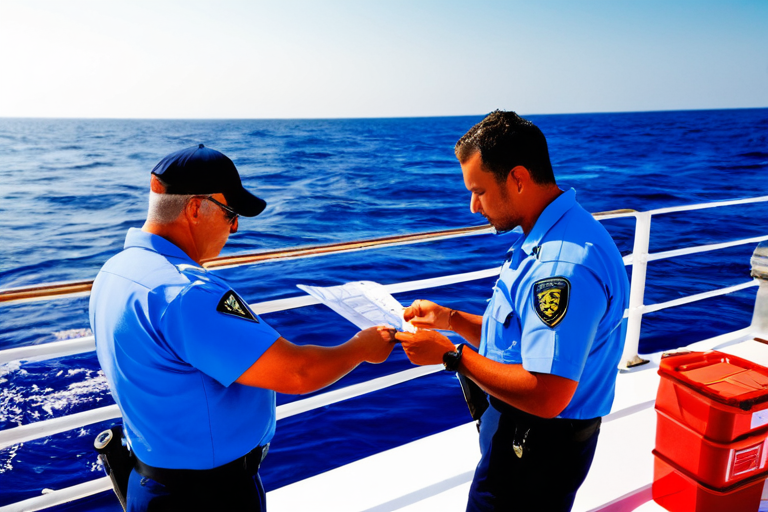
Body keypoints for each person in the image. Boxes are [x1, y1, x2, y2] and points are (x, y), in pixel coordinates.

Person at [89, 144, 395, 512]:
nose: (235, 227)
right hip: (207, 497)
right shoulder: (185, 292)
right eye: (230, 213)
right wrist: (362, 347)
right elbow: (298, 373)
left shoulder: (114, 272)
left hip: (151, 484)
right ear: (194, 208)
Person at [395, 111, 629, 512]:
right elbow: (520, 337)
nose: (472, 206)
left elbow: (548, 393)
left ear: (518, 179)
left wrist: (451, 356)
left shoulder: (561, 267)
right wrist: (450, 319)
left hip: (534, 453)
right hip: (531, 442)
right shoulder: (558, 231)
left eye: (480, 191)